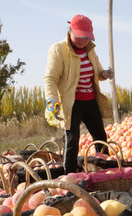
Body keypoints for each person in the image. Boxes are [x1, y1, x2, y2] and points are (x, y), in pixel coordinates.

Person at [44, 14, 114, 174]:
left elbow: (96, 72)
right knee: (72, 139)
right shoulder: (59, 49)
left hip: (90, 100)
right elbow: (50, 78)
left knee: (100, 136)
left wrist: (104, 73)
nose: (83, 41)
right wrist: (51, 99)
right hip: (71, 102)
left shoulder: (89, 50)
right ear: (70, 32)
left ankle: (104, 170)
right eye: (79, 37)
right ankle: (69, 176)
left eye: (87, 38)